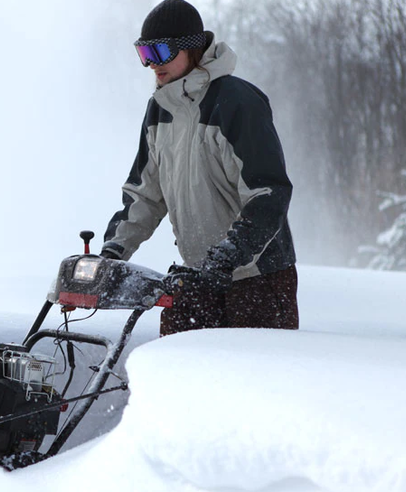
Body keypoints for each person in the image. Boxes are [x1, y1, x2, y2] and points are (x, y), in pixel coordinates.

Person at [100, 0, 299, 336]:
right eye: (145, 55)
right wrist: (112, 253)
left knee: (253, 382)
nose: (152, 65)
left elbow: (269, 193)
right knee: (183, 373)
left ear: (191, 49)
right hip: (200, 275)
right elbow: (145, 196)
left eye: (160, 52)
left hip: (257, 279)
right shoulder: (159, 110)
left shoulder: (236, 102)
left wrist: (233, 251)